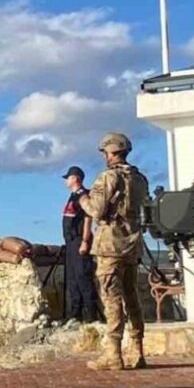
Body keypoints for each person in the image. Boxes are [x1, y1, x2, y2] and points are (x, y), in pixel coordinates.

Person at [78, 132, 149, 371]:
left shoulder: (107, 177)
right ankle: (138, 350)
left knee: (111, 297)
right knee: (132, 296)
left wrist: (81, 196)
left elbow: (96, 210)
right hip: (132, 243)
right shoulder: (140, 179)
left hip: (110, 245)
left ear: (110, 152)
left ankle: (114, 353)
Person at [61, 166, 100, 323]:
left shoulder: (84, 195)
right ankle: (75, 315)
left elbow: (87, 218)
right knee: (72, 279)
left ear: (75, 178)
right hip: (70, 242)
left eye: (68, 177)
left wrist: (85, 241)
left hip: (79, 241)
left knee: (83, 277)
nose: (66, 181)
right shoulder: (73, 196)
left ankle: (91, 316)